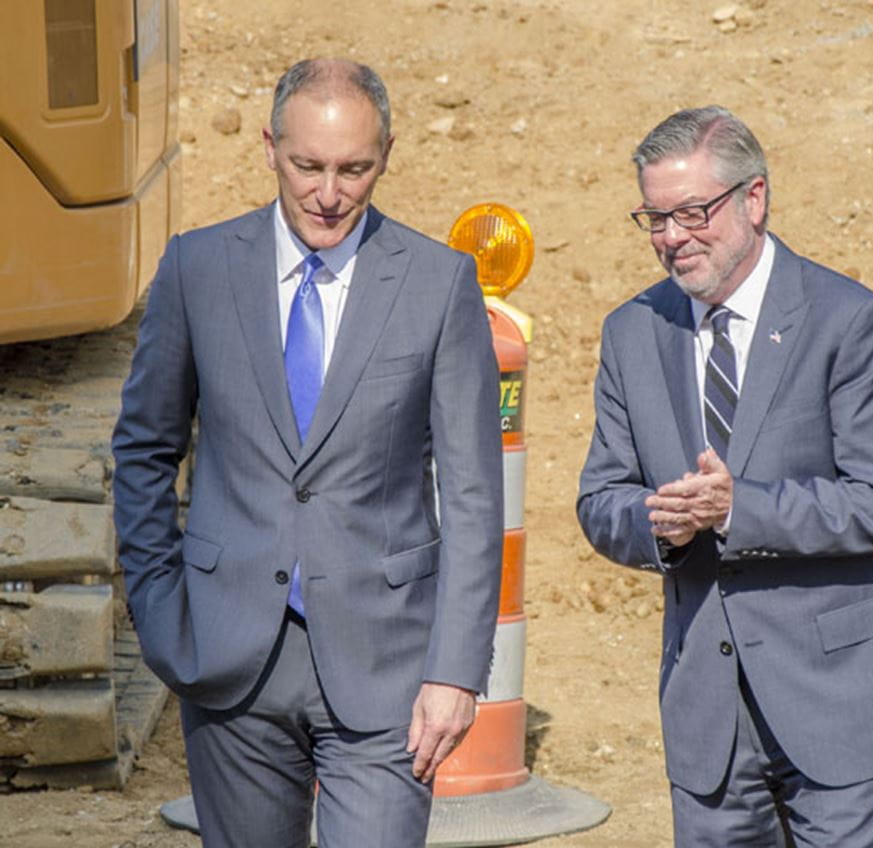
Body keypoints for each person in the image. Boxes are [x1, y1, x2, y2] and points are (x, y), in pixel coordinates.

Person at [112, 58, 504, 848]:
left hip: (387, 668)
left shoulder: (438, 283)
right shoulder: (198, 269)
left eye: (354, 169)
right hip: (229, 663)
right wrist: (160, 612)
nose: (330, 193)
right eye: (309, 166)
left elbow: (472, 495)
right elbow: (145, 449)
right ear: (269, 147)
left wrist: (455, 671)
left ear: (386, 153)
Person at [576, 106, 873, 846]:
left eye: (691, 212)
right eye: (654, 218)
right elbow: (601, 499)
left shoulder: (849, 321)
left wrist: (736, 509)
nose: (672, 237)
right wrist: (666, 523)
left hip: (843, 702)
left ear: (754, 199)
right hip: (710, 716)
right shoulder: (632, 333)